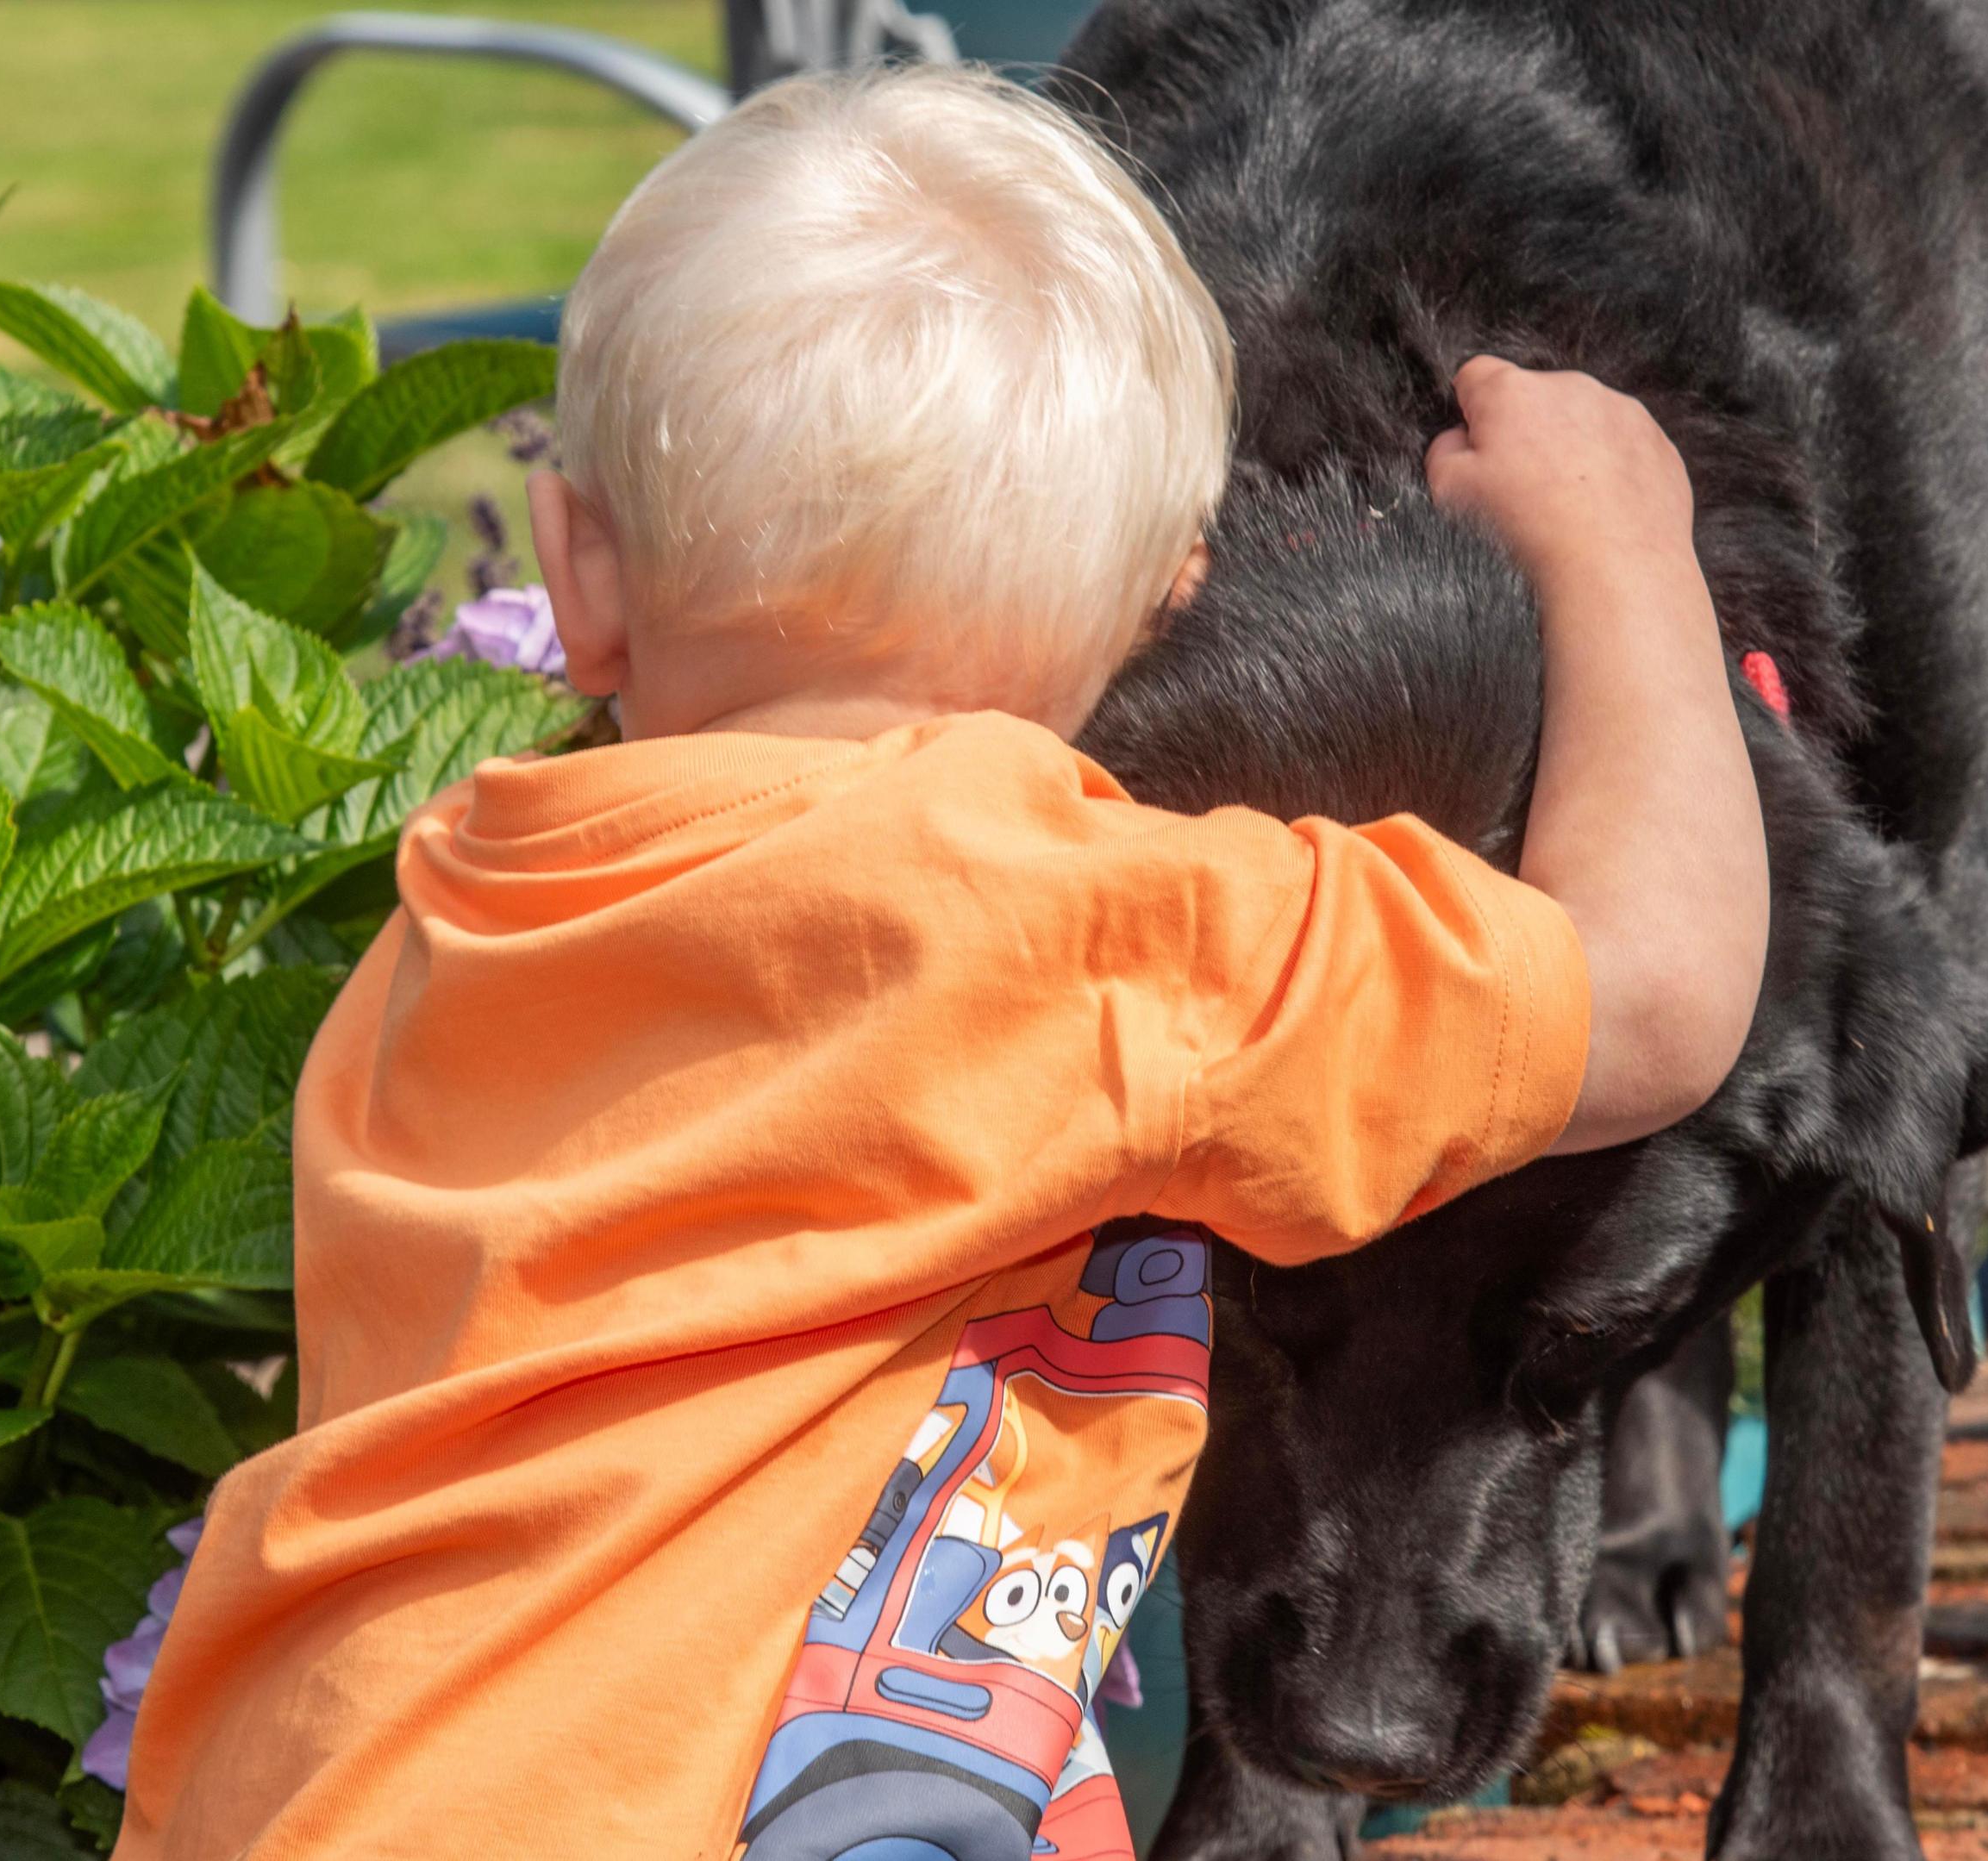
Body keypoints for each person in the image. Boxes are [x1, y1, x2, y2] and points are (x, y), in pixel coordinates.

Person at [109, 62, 1767, 1861]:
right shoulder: (1088, 933)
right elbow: (1655, 1000)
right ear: (1165, 603)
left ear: (574, 567)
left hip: (303, 1783)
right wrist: (1626, 551)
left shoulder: (473, 896)